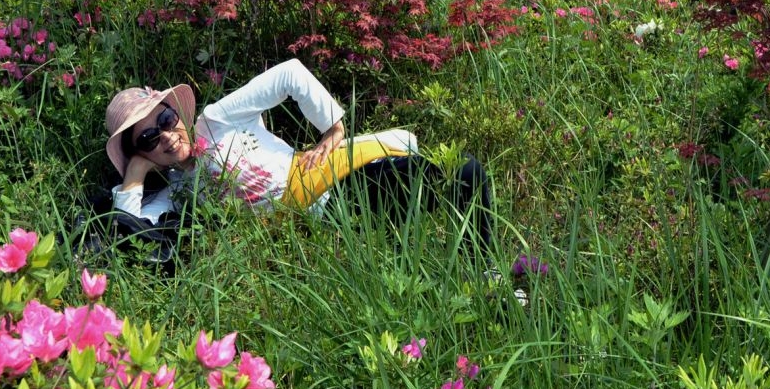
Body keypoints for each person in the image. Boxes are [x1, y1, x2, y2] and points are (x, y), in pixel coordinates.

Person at [102, 58, 495, 260]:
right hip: (318, 227)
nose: (167, 136)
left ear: (178, 114)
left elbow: (289, 74)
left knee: (465, 173)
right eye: (150, 137)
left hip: (336, 185)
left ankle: (487, 271)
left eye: (166, 119)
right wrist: (135, 172)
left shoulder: (215, 121)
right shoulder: (177, 195)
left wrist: (332, 128)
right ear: (143, 151)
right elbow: (130, 231)